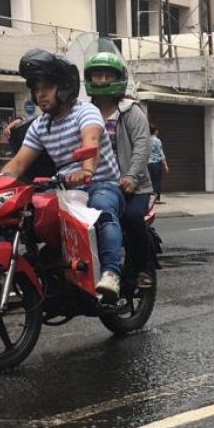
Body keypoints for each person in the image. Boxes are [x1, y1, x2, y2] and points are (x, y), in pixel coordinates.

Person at [0, 49, 124, 301]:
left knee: (103, 208)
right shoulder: (40, 125)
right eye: (36, 88)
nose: (40, 94)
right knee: (14, 209)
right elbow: (19, 162)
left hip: (100, 183)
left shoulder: (85, 112)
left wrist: (87, 169)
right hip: (65, 190)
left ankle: (111, 273)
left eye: (47, 87)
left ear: (65, 87)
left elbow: (91, 141)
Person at [83, 51, 155, 290]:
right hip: (96, 184)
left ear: (119, 78)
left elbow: (142, 146)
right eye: (97, 75)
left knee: (132, 218)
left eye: (108, 75)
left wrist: (132, 175)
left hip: (133, 186)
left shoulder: (131, 111)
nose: (102, 80)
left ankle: (143, 268)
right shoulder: (83, 113)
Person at [148, 123, 169, 203]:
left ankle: (149, 198)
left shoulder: (145, 140)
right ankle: (156, 199)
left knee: (149, 181)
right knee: (156, 181)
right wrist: (165, 165)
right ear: (155, 131)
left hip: (147, 164)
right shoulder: (157, 141)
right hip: (156, 163)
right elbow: (161, 153)